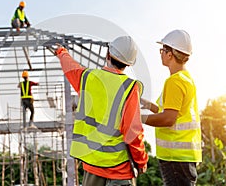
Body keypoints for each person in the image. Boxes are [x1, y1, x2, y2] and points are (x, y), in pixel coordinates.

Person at [55, 36, 148, 186]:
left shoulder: (88, 78)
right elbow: (133, 131)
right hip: (120, 170)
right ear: (128, 64)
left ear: (108, 55)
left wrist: (61, 51)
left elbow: (69, 66)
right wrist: (141, 160)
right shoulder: (130, 88)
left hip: (93, 167)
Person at [141, 30, 202, 186]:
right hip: (182, 158)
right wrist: (148, 105)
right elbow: (168, 111)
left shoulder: (174, 82)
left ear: (170, 54)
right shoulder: (185, 78)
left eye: (163, 50)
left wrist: (138, 118)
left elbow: (168, 118)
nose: (161, 54)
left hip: (176, 157)